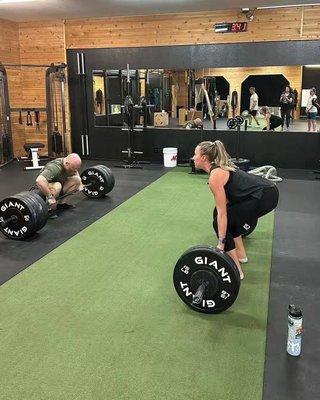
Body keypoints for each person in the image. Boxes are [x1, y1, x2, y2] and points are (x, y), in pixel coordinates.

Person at [193, 140, 279, 280]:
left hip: (265, 196)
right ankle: (241, 255)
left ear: (203, 157)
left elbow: (222, 215)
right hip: (266, 192)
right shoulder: (218, 169)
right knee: (224, 216)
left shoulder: (215, 176)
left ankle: (236, 270)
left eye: (195, 154)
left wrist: (221, 243)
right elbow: (224, 207)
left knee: (219, 222)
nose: (193, 158)